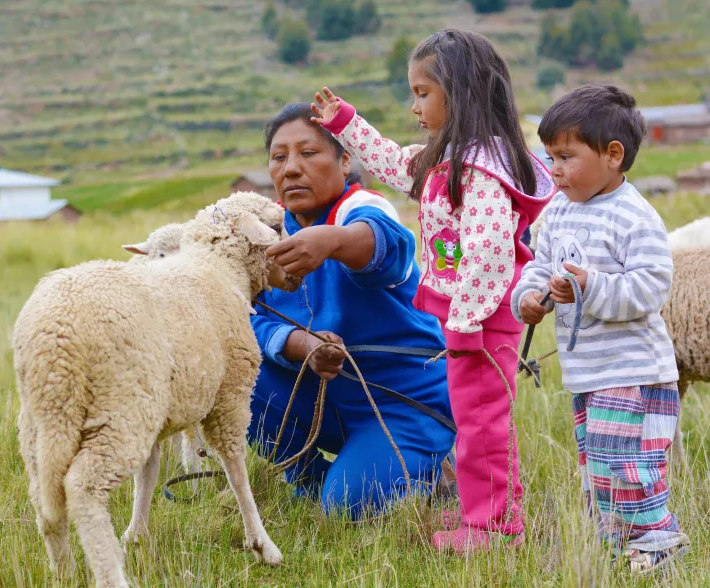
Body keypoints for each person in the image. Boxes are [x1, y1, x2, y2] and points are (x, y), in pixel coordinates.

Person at [312, 29, 555, 553]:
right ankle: (496, 515)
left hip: (481, 318)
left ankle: (493, 528)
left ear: (460, 92)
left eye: (423, 93)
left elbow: (490, 251)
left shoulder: (480, 170)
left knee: (481, 424)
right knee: (480, 419)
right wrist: (346, 124)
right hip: (472, 315)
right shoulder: (452, 159)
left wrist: (465, 323)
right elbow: (396, 165)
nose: (415, 105)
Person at [512, 84, 690, 574]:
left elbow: (650, 288)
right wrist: (528, 298)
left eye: (566, 157)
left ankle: (658, 541)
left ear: (613, 155)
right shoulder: (560, 212)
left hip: (633, 370)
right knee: (598, 465)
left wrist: (591, 287)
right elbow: (538, 264)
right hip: (588, 373)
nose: (555, 170)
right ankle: (615, 547)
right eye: (550, 157)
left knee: (628, 464)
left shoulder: (636, 216)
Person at [249, 102, 456, 520]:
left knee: (348, 507)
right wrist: (299, 343)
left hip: (402, 404)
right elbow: (249, 321)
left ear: (345, 160)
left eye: (308, 153)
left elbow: (388, 247)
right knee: (238, 381)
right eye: (278, 157)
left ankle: (430, 468)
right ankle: (310, 485)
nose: (290, 169)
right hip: (323, 400)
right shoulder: (265, 231)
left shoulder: (361, 210)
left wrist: (330, 241)